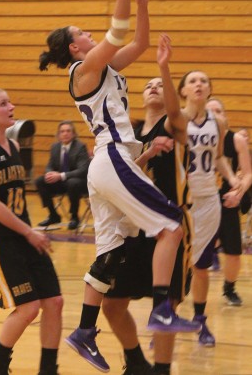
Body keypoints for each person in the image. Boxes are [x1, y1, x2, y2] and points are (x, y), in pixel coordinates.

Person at [38, 0, 200, 373]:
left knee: (111, 255)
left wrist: (143, 1)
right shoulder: (83, 70)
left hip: (114, 162)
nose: (90, 35)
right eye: (82, 33)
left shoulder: (104, 67)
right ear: (74, 48)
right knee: (170, 225)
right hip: (111, 156)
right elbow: (117, 30)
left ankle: (84, 330)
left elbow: (139, 43)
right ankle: (163, 307)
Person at [102, 33, 193, 375]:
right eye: (150, 85)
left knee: (165, 303)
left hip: (167, 228)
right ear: (139, 97)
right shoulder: (130, 134)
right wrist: (147, 154)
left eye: (160, 85)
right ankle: (137, 361)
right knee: (112, 304)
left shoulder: (174, 125)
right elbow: (123, 174)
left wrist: (164, 68)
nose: (154, 87)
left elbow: (173, 107)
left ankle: (163, 369)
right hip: (132, 227)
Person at [0, 87, 63, 375]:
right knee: (28, 307)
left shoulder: (13, 148)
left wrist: (29, 230)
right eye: (3, 104)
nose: (11, 106)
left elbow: (17, 200)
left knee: (55, 301)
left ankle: (47, 370)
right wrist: (29, 232)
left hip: (21, 232)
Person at [177, 71, 241, 347]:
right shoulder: (175, 120)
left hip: (208, 200)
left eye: (204, 80)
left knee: (201, 266)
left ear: (210, 89)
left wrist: (233, 178)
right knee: (177, 266)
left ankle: (200, 322)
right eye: (192, 81)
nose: (199, 84)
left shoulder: (219, 121)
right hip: (180, 200)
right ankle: (167, 321)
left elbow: (218, 158)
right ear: (182, 91)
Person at [206, 98, 252, 305]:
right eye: (209, 111)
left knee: (234, 253)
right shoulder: (194, 138)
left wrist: (239, 193)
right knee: (188, 252)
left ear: (225, 116)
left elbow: (248, 173)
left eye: (218, 110)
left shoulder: (236, 140)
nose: (214, 115)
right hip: (199, 203)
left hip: (227, 202)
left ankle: (229, 288)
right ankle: (182, 284)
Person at [35, 120, 90, 230]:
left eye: (68, 131)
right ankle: (53, 215)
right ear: (58, 135)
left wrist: (61, 175)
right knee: (40, 181)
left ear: (74, 134)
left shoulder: (80, 147)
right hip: (61, 182)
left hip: (79, 183)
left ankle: (74, 217)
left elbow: (83, 170)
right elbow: (49, 165)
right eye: (62, 131)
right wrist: (50, 173)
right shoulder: (55, 147)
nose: (65, 134)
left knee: (72, 182)